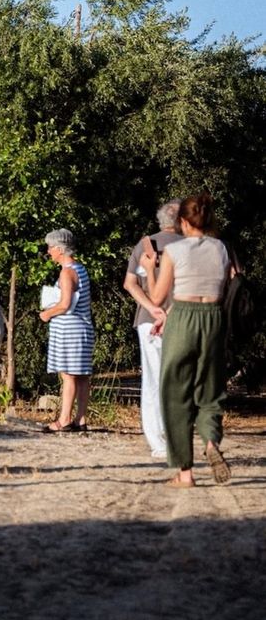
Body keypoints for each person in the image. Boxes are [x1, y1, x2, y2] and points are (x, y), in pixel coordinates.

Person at [139, 193, 231, 487]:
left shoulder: (176, 251)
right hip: (213, 319)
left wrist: (152, 267)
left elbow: (157, 297)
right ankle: (211, 442)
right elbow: (223, 288)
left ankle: (185, 472)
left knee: (175, 393)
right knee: (210, 392)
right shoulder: (221, 249)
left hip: (182, 320)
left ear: (182, 222)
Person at [123, 200, 182, 460]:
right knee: (178, 378)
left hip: (148, 320)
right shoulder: (189, 246)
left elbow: (130, 283)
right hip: (180, 317)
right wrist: (166, 313)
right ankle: (177, 435)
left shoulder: (146, 244)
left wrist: (152, 308)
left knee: (152, 380)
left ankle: (157, 442)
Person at [39, 229, 94, 432]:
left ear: (60, 249)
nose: (49, 251)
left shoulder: (67, 272)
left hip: (70, 330)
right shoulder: (80, 269)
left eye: (51, 247)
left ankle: (64, 419)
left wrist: (47, 314)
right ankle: (80, 418)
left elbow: (64, 304)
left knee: (68, 375)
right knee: (81, 376)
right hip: (82, 327)